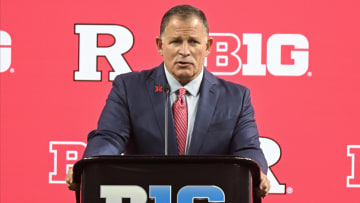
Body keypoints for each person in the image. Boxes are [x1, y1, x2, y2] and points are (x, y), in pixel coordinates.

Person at [66, 4, 270, 197]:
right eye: (175, 42)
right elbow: (109, 138)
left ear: (208, 46)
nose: (184, 51)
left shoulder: (236, 97)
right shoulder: (129, 88)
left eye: (193, 42)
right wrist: (87, 167)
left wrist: (257, 172)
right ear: (160, 45)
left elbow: (247, 149)